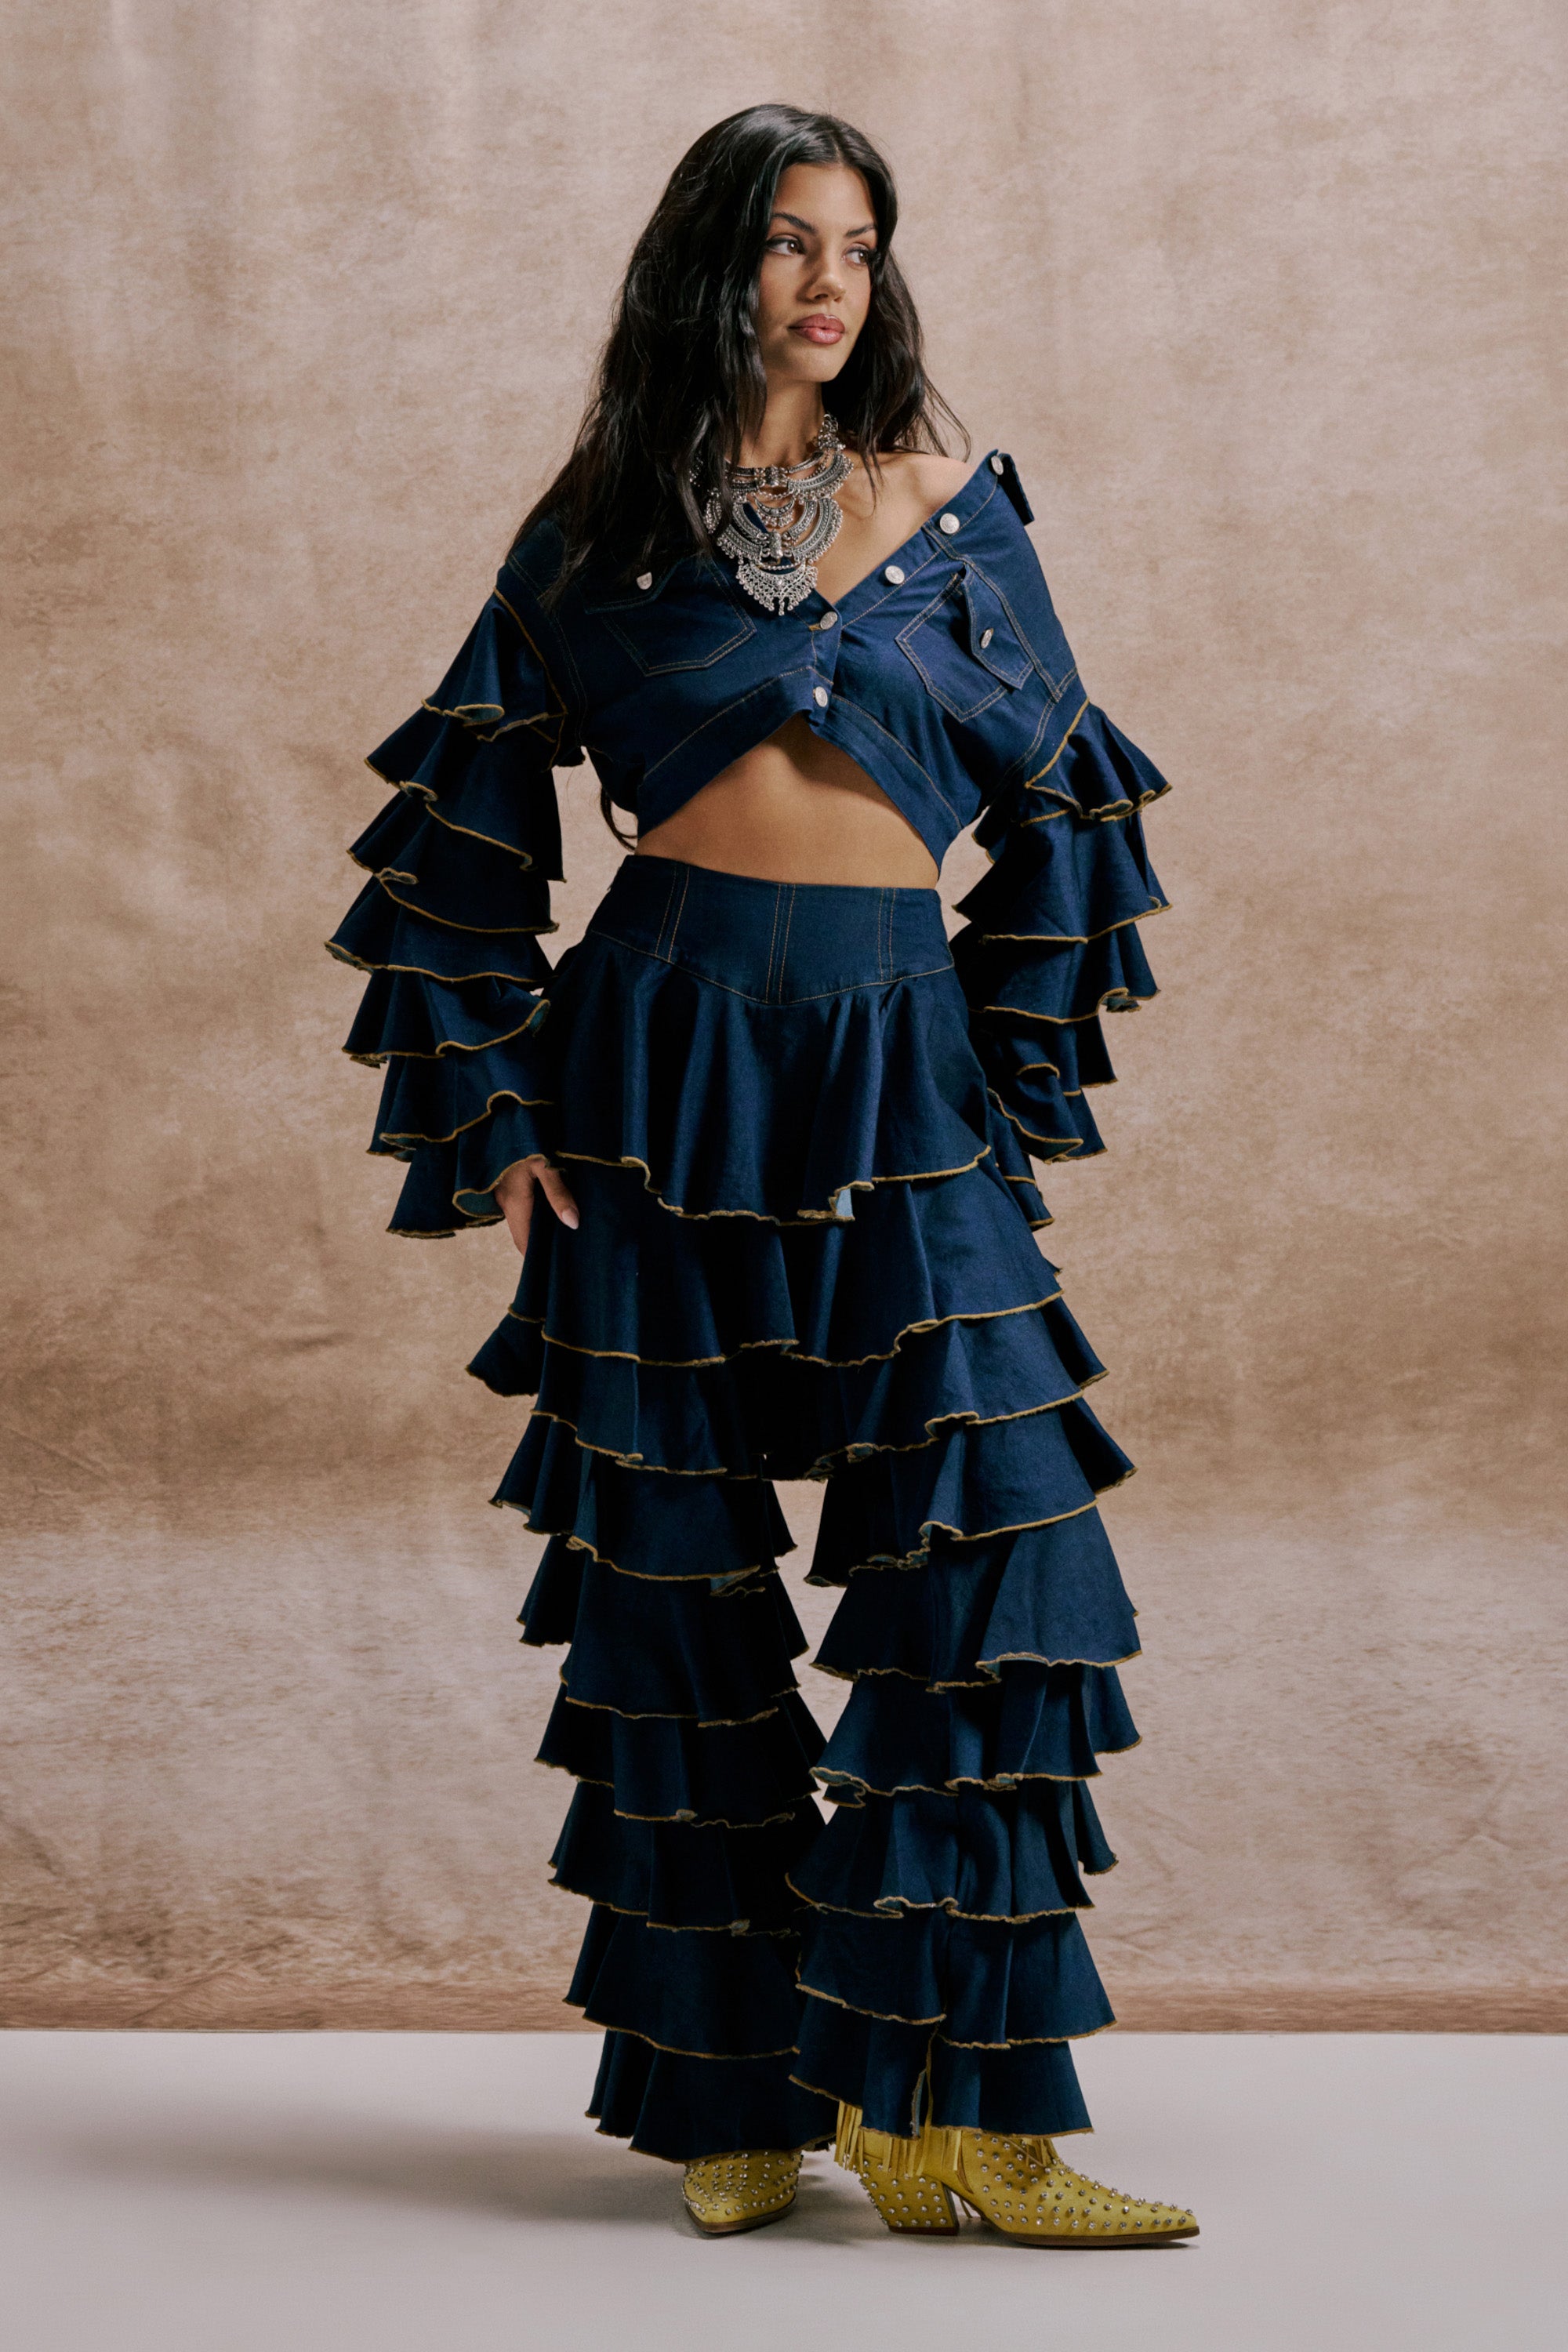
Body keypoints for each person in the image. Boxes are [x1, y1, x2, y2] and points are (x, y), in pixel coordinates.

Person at [329, 103, 1196, 2248]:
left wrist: (995, 1076)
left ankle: (961, 2122)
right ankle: (734, 2092)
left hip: (898, 1058)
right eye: (791, 243)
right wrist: (502, 1113)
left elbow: (1074, 819)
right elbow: (453, 836)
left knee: (987, 1573)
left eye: (862, 247)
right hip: (655, 1064)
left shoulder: (959, 514)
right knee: (672, 1596)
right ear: (709, 267)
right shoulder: (601, 535)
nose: (832, 283)